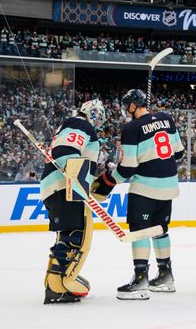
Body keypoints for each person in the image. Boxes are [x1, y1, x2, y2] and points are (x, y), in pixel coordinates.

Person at [94, 89, 184, 300]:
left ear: (133, 105)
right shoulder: (166, 118)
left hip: (145, 188)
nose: (127, 110)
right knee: (160, 230)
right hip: (169, 185)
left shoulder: (131, 128)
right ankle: (165, 276)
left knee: (140, 231)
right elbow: (178, 153)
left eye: (128, 106)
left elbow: (128, 168)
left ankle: (141, 279)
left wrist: (107, 182)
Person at [41, 99, 105, 304]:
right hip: (64, 187)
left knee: (67, 235)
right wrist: (78, 180)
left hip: (59, 186)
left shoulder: (71, 125)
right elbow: (65, 152)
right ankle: (57, 287)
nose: (98, 122)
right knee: (73, 237)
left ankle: (55, 283)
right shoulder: (80, 124)